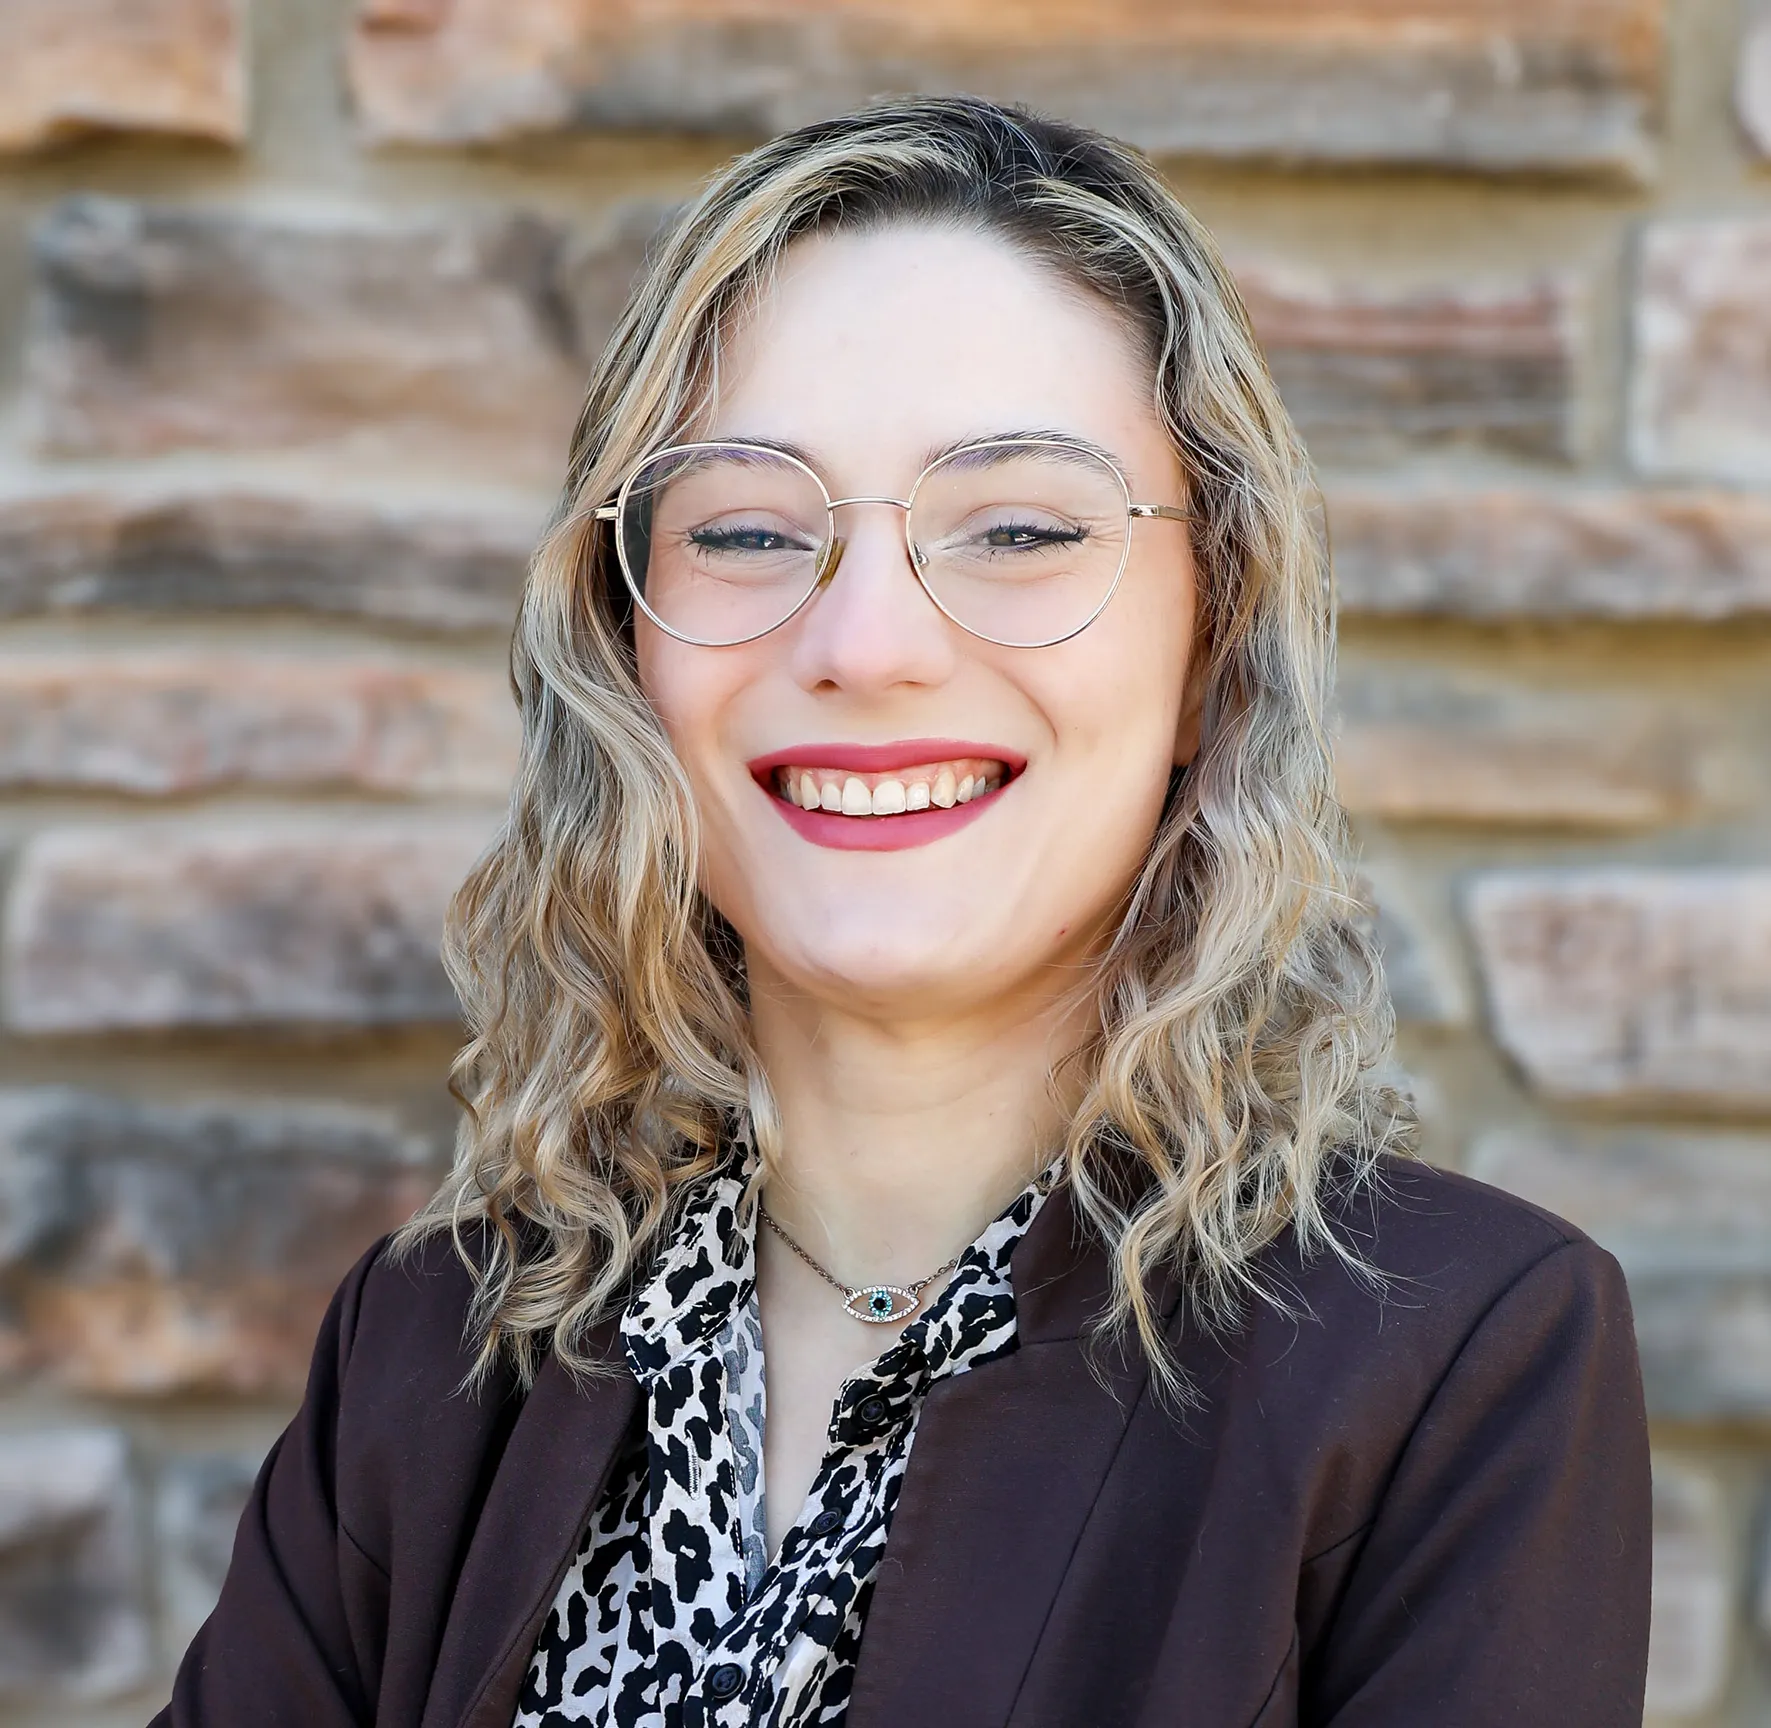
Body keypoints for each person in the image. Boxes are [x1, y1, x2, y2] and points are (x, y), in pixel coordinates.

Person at [155, 96, 1650, 1728]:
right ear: (624, 653)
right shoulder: (439, 1339)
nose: (866, 643)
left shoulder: (1455, 1362)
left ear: (1207, 647)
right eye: (744, 529)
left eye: (1016, 527)